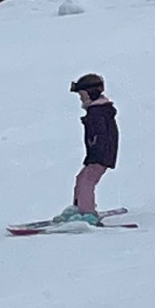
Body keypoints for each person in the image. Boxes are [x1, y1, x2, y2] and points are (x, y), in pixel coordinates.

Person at [54, 73, 119, 225]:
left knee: (86, 181)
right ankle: (79, 208)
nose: (81, 99)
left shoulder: (99, 112)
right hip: (97, 154)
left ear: (92, 93)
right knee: (81, 178)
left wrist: (96, 148)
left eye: (82, 95)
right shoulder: (98, 110)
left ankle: (87, 213)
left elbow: (102, 134)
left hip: (101, 154)